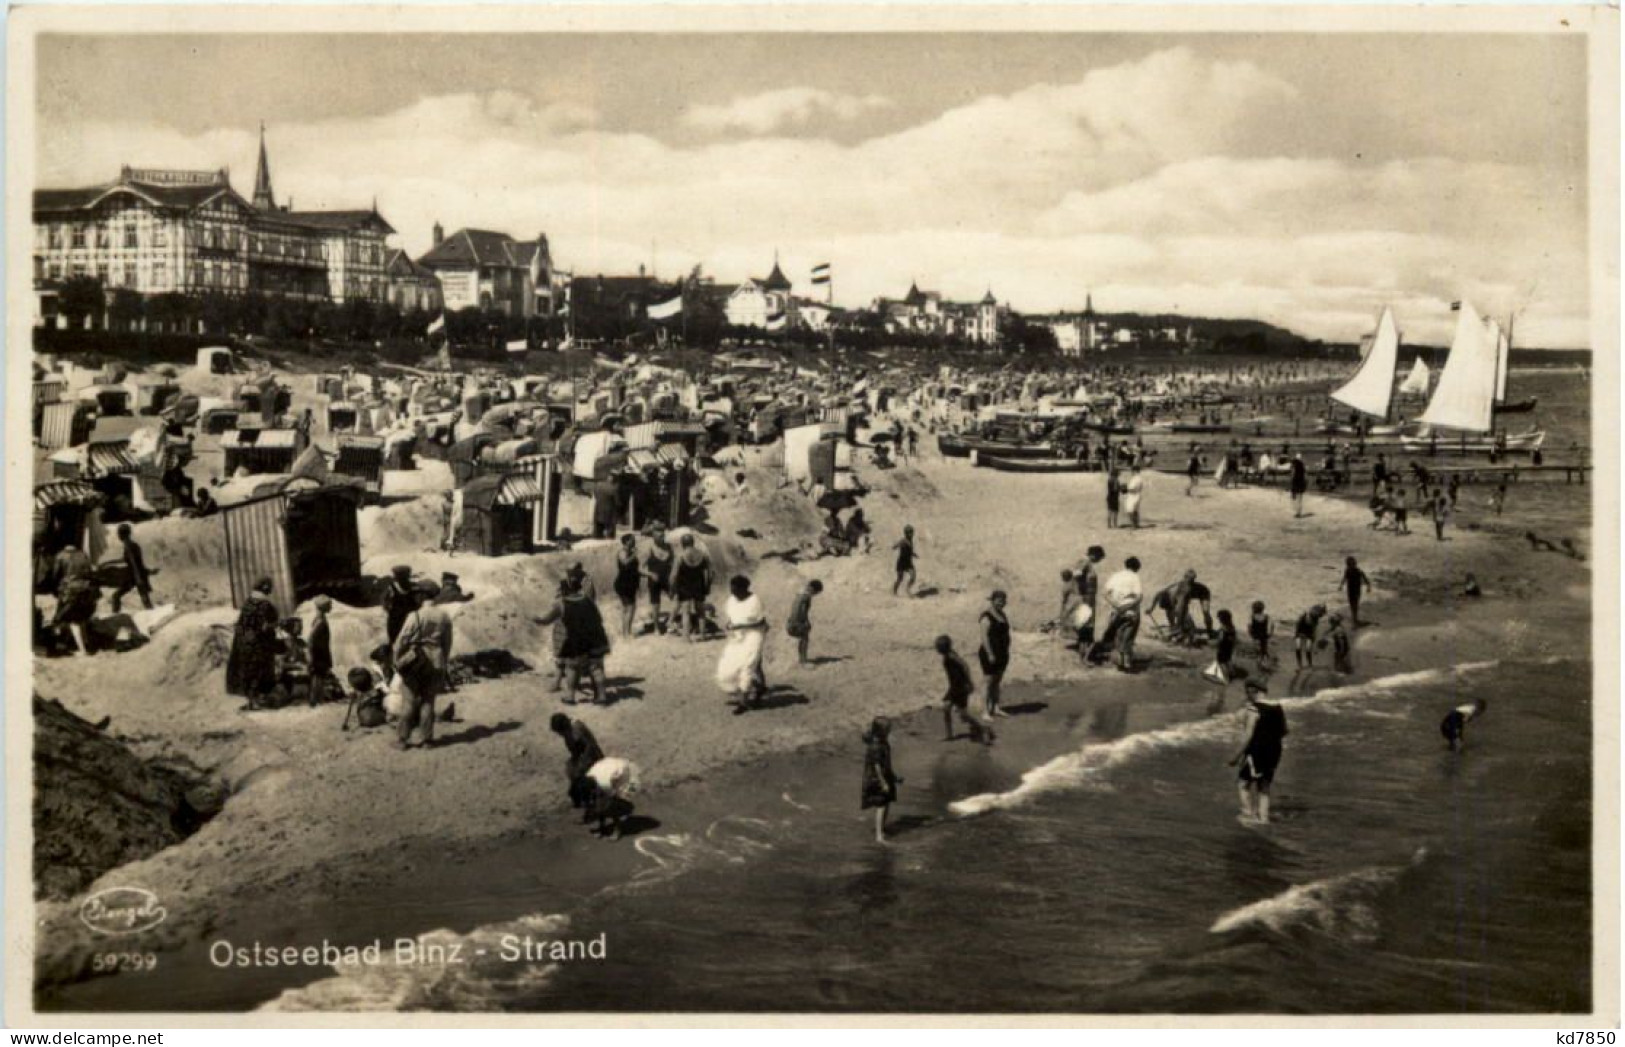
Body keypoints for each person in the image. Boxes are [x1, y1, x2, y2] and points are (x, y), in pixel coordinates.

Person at [393, 585, 453, 749]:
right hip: (435, 661)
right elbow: (447, 643)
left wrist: (397, 660)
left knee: (409, 701)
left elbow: (401, 641)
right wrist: (443, 661)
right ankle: (427, 740)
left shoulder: (415, 616)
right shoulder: (444, 616)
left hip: (415, 661)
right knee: (428, 701)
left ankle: (402, 740)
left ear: (422, 596)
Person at [546, 575, 612, 706]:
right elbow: (599, 619)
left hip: (575, 640)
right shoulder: (587, 600)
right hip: (595, 637)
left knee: (572, 667)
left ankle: (569, 696)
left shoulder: (562, 604)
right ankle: (601, 695)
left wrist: (537, 619)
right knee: (596, 666)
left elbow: (549, 620)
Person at [1230, 679, 1287, 824]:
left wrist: (1236, 756)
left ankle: (1247, 814)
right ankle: (1263, 817)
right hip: (1275, 750)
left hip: (1257, 750)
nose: (1246, 695)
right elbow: (1284, 731)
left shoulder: (1253, 709)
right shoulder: (1278, 707)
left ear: (1252, 691)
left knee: (1243, 783)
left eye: (1247, 692)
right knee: (1264, 785)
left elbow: (1248, 735)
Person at [717, 575, 769, 710]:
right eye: (731, 588)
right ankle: (757, 688)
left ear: (744, 588)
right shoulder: (731, 600)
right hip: (736, 637)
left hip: (753, 636)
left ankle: (743, 702)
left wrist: (740, 626)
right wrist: (729, 625)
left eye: (735, 589)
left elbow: (761, 622)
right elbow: (731, 618)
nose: (732, 591)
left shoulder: (755, 601)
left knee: (747, 666)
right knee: (728, 667)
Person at [226, 576, 280, 704]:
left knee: (248, 670)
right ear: (266, 589)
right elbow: (271, 623)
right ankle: (258, 697)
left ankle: (251, 698)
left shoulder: (248, 603)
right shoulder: (266, 605)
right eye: (270, 588)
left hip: (244, 643)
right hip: (259, 644)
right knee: (260, 669)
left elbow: (241, 625)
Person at [935, 635, 992, 744]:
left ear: (942, 648)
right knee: (947, 708)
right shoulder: (949, 655)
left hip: (959, 687)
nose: (936, 649)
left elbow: (965, 666)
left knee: (964, 714)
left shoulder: (951, 657)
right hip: (954, 687)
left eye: (938, 647)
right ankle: (950, 735)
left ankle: (982, 728)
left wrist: (969, 682)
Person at [1091, 557, 1144, 671]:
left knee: (1119, 635)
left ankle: (1120, 662)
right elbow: (1139, 597)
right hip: (1131, 611)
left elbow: (1105, 593)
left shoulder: (1116, 576)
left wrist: (1116, 605)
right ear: (1137, 567)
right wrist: (1127, 607)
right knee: (1128, 637)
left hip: (1116, 611)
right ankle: (1127, 664)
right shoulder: (1135, 577)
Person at [50, 543, 100, 658]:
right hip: (86, 590)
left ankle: (82, 650)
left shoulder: (61, 556)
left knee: (72, 620)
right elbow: (89, 573)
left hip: (71, 592)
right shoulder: (83, 555)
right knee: (81, 618)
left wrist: (56, 588)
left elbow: (55, 575)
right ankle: (86, 643)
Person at [549, 712, 605, 812]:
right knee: (572, 772)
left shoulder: (576, 728)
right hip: (583, 757)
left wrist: (581, 764)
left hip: (592, 758)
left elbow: (589, 747)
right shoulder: (570, 730)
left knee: (580, 780)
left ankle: (589, 804)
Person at [861, 717, 903, 844]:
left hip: (885, 776)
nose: (889, 732)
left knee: (886, 802)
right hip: (876, 778)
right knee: (881, 805)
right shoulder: (876, 746)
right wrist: (883, 782)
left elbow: (886, 764)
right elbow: (877, 766)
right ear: (881, 731)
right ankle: (879, 836)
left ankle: (882, 828)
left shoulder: (883, 743)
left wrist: (894, 777)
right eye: (888, 730)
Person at [581, 756, 640, 840]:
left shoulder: (605, 783)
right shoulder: (588, 777)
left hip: (624, 773)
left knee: (611, 806)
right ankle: (602, 828)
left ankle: (617, 830)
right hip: (608, 770)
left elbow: (611, 796)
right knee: (599, 805)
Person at [672, 534, 713, 641]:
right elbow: (711, 573)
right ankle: (703, 636)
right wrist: (708, 585)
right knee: (701, 611)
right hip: (699, 584)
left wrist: (672, 588)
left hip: (684, 585)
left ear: (682, 544)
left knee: (686, 612)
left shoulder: (680, 556)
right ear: (693, 542)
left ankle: (686, 638)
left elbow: (674, 575)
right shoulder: (703, 555)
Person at [978, 590, 1012, 718]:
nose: (1001, 604)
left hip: (1002, 653)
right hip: (990, 653)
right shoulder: (986, 617)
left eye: (1003, 602)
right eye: (998, 601)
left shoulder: (1002, 615)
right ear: (992, 601)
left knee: (997, 681)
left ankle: (996, 707)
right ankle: (985, 711)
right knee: (988, 681)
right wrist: (990, 654)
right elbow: (984, 637)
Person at [110, 523, 154, 613]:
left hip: (136, 575)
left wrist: (138, 579)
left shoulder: (129, 546)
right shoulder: (132, 545)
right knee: (145, 600)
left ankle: (115, 616)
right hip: (137, 575)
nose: (118, 536)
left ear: (122, 534)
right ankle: (153, 613)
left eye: (119, 533)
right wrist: (109, 563)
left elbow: (134, 563)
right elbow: (129, 560)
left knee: (116, 596)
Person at [643, 526, 674, 635]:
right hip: (654, 580)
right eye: (660, 536)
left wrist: (673, 576)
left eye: (663, 535)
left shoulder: (669, 547)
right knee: (655, 604)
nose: (662, 538)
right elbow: (640, 568)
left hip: (667, 578)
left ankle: (671, 622)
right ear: (654, 537)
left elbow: (673, 563)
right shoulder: (649, 549)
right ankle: (656, 628)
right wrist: (650, 574)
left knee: (676, 598)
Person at [1074, 545, 1104, 655]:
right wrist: (1082, 590)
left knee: (1087, 620)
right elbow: (1077, 575)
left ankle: (1084, 647)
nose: (1099, 561)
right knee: (1086, 621)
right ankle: (1084, 648)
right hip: (1086, 596)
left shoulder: (1087, 562)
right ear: (1094, 555)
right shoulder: (1085, 561)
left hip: (1088, 595)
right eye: (1099, 558)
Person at [786, 579, 823, 666]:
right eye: (816, 593)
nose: (815, 595)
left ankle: (802, 659)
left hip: (791, 621)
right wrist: (804, 622)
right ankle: (803, 661)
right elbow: (800, 611)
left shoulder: (800, 594)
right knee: (804, 639)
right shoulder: (805, 597)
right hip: (796, 622)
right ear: (813, 590)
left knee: (803, 639)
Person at [308, 595, 336, 707]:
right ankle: (314, 699)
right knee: (318, 676)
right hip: (319, 651)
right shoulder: (320, 620)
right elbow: (311, 637)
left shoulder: (320, 618)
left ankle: (318, 698)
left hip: (321, 650)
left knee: (320, 675)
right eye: (329, 605)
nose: (331, 607)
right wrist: (311, 653)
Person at [612, 534, 641, 638]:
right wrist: (634, 555)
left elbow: (635, 570)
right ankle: (626, 633)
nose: (634, 542)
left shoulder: (631, 552)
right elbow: (624, 563)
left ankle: (626, 632)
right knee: (629, 608)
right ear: (627, 541)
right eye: (632, 540)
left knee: (629, 608)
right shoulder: (622, 552)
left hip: (630, 584)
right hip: (624, 583)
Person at [382, 564, 417, 645]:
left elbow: (385, 603)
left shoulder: (393, 588)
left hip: (402, 618)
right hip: (402, 618)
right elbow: (385, 602)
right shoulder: (411, 587)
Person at [1205, 608, 1238, 684]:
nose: (1218, 620)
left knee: (1221, 662)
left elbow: (1220, 640)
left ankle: (1225, 679)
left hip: (1222, 649)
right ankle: (1232, 672)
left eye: (1219, 618)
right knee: (1228, 660)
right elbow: (1234, 639)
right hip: (1229, 648)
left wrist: (1211, 643)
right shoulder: (1232, 628)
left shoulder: (1223, 629)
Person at [1340, 556, 1371, 626]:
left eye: (1351, 564)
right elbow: (1344, 578)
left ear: (1354, 564)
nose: (1350, 566)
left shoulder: (1358, 571)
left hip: (1356, 590)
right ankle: (1354, 618)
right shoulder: (1347, 570)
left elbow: (1365, 578)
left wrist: (1368, 587)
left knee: (1355, 604)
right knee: (1351, 604)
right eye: (1348, 564)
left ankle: (1355, 619)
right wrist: (1341, 586)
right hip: (1350, 590)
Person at [1293, 604, 1326, 668]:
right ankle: (1300, 663)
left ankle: (1309, 664)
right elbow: (1298, 624)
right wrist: (1296, 634)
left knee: (1308, 649)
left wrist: (1314, 636)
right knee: (1298, 647)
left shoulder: (1315, 619)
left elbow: (1314, 629)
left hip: (1308, 633)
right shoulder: (1304, 615)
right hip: (1300, 632)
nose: (1317, 615)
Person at [892, 525, 918, 597]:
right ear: (906, 533)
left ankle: (908, 589)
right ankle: (894, 590)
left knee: (913, 576)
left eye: (912, 532)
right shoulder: (903, 541)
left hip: (908, 563)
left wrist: (913, 554)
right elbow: (896, 545)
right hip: (901, 563)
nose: (912, 534)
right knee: (900, 579)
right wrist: (895, 546)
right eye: (910, 533)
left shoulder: (910, 540)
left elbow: (909, 550)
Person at [1248, 600, 1275, 670]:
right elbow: (1272, 625)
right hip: (1264, 636)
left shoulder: (1252, 617)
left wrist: (1251, 634)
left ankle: (1260, 664)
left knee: (1257, 650)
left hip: (1256, 636)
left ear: (1254, 609)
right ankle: (1264, 663)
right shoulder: (1266, 616)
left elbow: (1249, 626)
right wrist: (1270, 634)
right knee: (1263, 650)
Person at [1289, 453, 1308, 518]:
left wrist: (1291, 480)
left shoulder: (1294, 464)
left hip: (1296, 482)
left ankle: (1297, 512)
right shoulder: (1302, 465)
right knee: (1300, 498)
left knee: (1294, 497)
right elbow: (1305, 475)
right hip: (1301, 482)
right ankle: (1299, 512)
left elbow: (1293, 473)